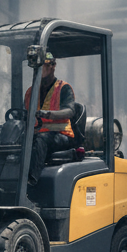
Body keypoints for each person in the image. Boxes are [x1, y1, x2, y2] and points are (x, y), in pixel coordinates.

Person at [24, 52, 76, 185]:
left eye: (44, 66)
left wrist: (50, 114)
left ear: (53, 66)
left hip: (61, 135)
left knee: (41, 140)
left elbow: (70, 111)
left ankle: (31, 181)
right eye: (38, 67)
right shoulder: (31, 92)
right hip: (38, 134)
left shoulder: (63, 88)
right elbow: (24, 114)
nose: (40, 70)